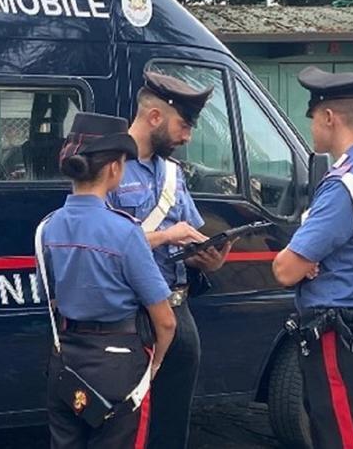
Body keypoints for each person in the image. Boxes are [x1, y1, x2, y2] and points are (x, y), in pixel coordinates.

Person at [272, 66, 353, 449]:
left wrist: (303, 261)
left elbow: (285, 269)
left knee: (343, 440)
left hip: (338, 335)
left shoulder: (343, 185)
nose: (311, 127)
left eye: (312, 118)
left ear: (329, 117)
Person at [38, 112, 178, 449]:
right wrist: (154, 366)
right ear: (115, 168)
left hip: (65, 360)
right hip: (118, 364)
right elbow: (166, 321)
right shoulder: (125, 232)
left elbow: (52, 299)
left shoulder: (47, 228)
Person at [108, 72, 228, 449]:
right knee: (125, 425)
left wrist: (207, 258)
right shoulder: (107, 167)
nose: (188, 137)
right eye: (183, 125)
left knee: (172, 426)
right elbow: (98, 244)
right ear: (155, 117)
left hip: (178, 311)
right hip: (128, 318)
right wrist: (164, 235)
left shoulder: (173, 174)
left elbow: (185, 237)